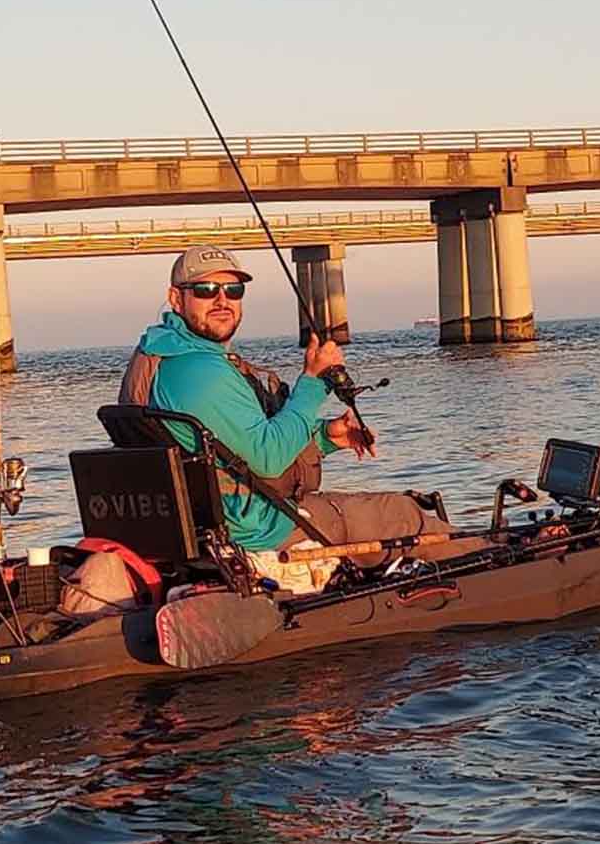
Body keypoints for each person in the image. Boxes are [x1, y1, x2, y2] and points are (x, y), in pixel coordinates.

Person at [116, 244, 462, 594]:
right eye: (205, 290)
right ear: (176, 299)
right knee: (404, 513)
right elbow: (268, 459)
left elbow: (236, 448)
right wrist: (313, 381)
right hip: (261, 528)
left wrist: (327, 436)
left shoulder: (158, 357)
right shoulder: (200, 372)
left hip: (220, 523)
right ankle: (492, 569)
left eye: (233, 290)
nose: (222, 300)